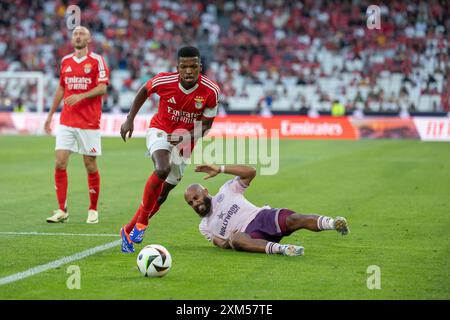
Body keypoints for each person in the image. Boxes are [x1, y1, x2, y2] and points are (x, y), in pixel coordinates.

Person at [119, 46, 220, 253]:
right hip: (161, 130)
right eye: (184, 67)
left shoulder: (211, 91)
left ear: (200, 67)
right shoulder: (164, 81)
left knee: (162, 195)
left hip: (186, 142)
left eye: (193, 66)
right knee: (162, 168)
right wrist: (129, 119)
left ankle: (127, 231)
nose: (189, 71)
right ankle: (142, 224)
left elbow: (207, 126)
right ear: (177, 67)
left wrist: (186, 136)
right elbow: (144, 91)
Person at [184, 164, 349, 256]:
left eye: (196, 198)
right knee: (237, 240)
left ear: (205, 192)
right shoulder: (204, 226)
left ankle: (334, 223)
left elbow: (251, 172)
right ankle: (285, 250)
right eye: (190, 203)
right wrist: (230, 241)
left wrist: (220, 169)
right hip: (250, 236)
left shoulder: (226, 190)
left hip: (262, 217)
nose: (195, 204)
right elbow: (221, 244)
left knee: (295, 219)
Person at [44, 26, 109, 224]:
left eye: (82, 34)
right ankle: (62, 210)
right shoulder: (65, 61)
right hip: (67, 120)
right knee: (60, 161)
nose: (78, 36)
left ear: (89, 39)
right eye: (75, 34)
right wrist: (50, 115)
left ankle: (93, 209)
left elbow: (102, 88)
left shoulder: (97, 60)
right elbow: (61, 88)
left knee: (90, 164)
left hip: (89, 122)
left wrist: (81, 95)